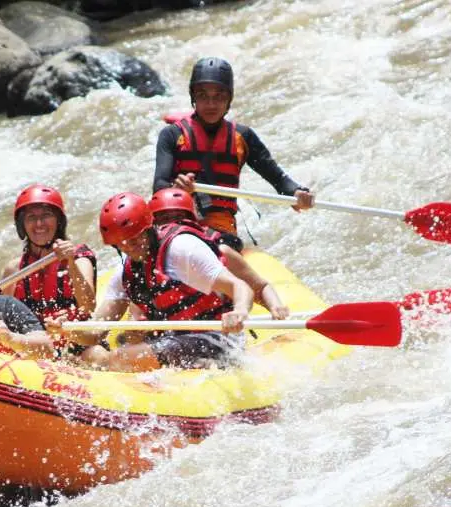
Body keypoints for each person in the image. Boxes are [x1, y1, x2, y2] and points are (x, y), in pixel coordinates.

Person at [48, 192, 255, 372]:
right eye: (121, 243)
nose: (129, 246)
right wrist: (66, 330)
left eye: (135, 238)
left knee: (123, 358)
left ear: (148, 228)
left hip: (219, 339)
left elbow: (240, 286)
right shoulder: (124, 273)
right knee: (95, 354)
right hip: (174, 340)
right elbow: (95, 332)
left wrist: (239, 312)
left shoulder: (181, 248)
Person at [153, 56, 314, 238]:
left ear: (229, 99)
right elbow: (159, 187)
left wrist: (298, 194)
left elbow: (279, 180)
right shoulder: (172, 135)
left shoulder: (243, 137)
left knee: (221, 242)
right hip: (179, 222)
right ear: (193, 98)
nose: (211, 104)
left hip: (221, 229)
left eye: (219, 96)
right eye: (203, 96)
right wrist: (176, 188)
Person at [1, 185, 109, 364]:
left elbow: (88, 305)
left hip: (78, 344)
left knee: (97, 355)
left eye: (46, 216)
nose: (39, 224)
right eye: (31, 218)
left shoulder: (79, 258)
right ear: (22, 226)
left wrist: (70, 263)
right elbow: (5, 318)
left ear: (59, 221)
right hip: (37, 348)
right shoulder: (14, 270)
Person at [149, 187, 289, 320]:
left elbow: (260, 287)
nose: (173, 225)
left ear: (191, 220)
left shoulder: (221, 251)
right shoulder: (147, 261)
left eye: (179, 217)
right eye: (164, 219)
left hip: (219, 332)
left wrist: (275, 307)